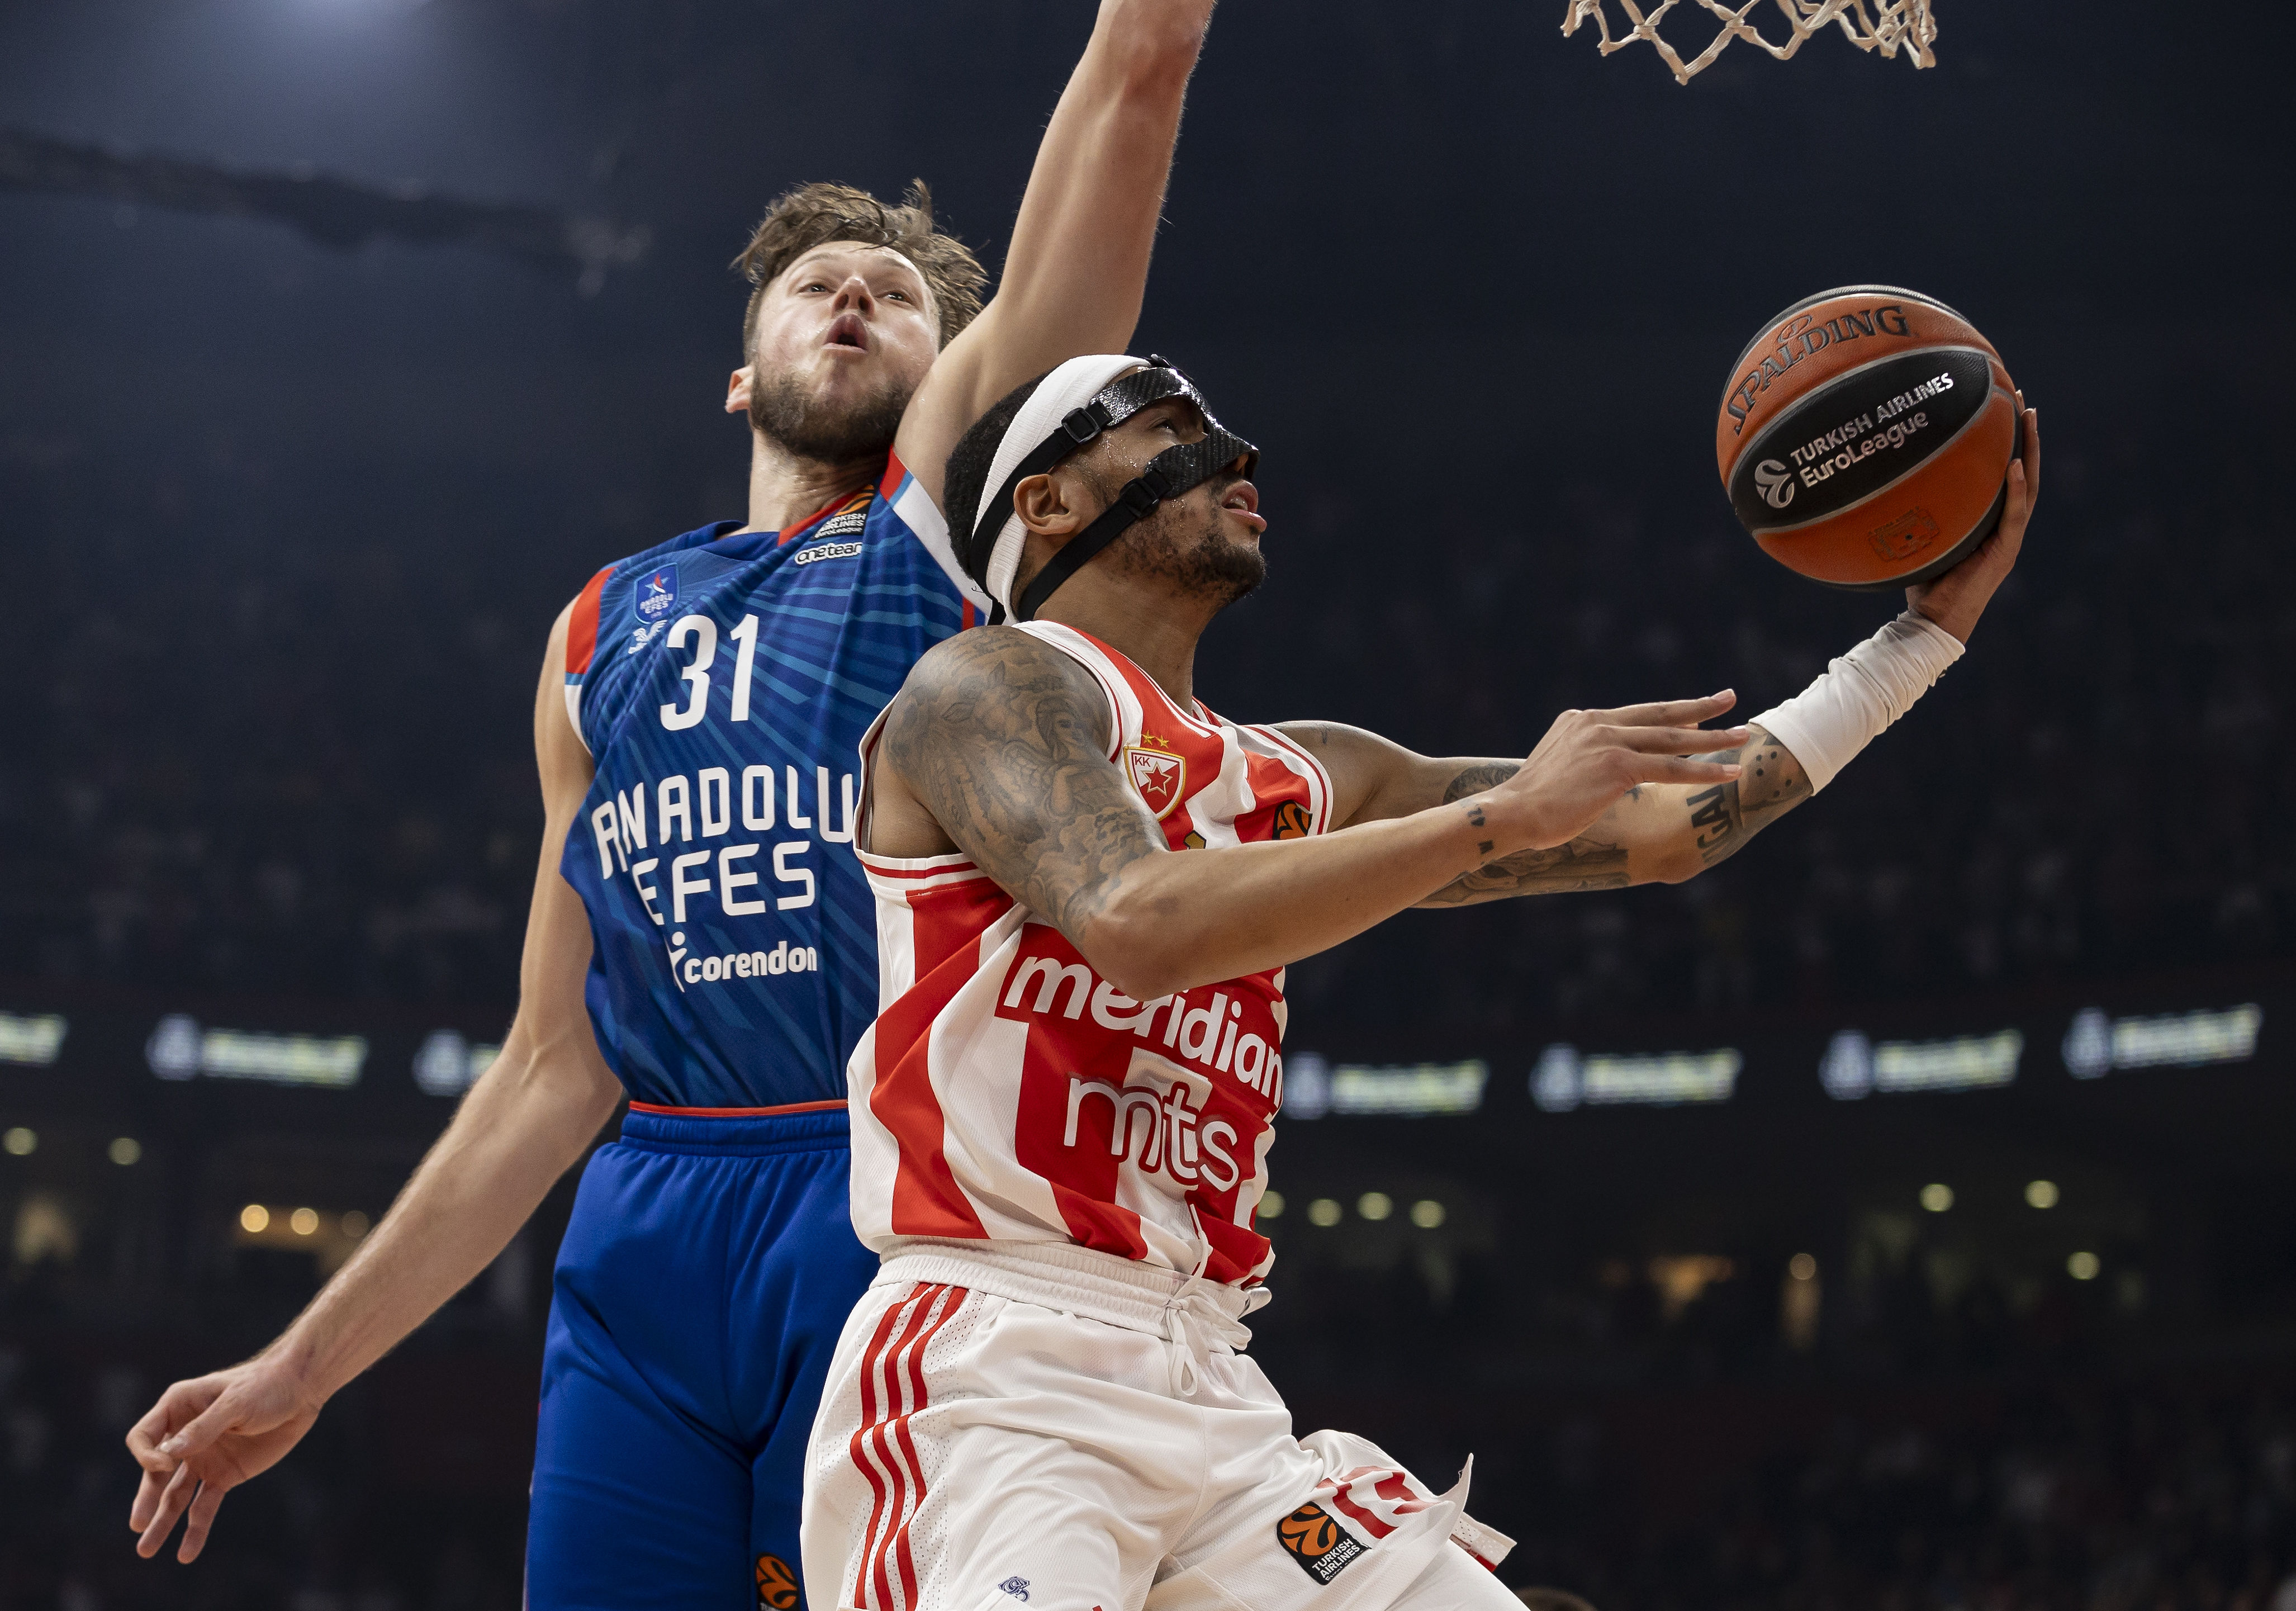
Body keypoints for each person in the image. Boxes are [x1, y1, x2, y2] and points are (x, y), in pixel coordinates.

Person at [124, 6, 1217, 1604]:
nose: (856, 294)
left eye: (899, 296)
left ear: (955, 390)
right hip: (647, 1224)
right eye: (816, 283)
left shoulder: (937, 539)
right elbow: (548, 1070)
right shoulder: (592, 631)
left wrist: (1151, 37)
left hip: (885, 1202)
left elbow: (1120, 116)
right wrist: (301, 1369)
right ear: (738, 373)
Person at [801, 354, 2039, 1610]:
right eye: (1172, 426)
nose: (1237, 454)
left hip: (1212, 1383)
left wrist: (1919, 640)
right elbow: (1136, 919)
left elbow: (1674, 826)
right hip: (1000, 1373)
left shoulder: (1311, 775)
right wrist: (1496, 818)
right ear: (1049, 503)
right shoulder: (981, 686)